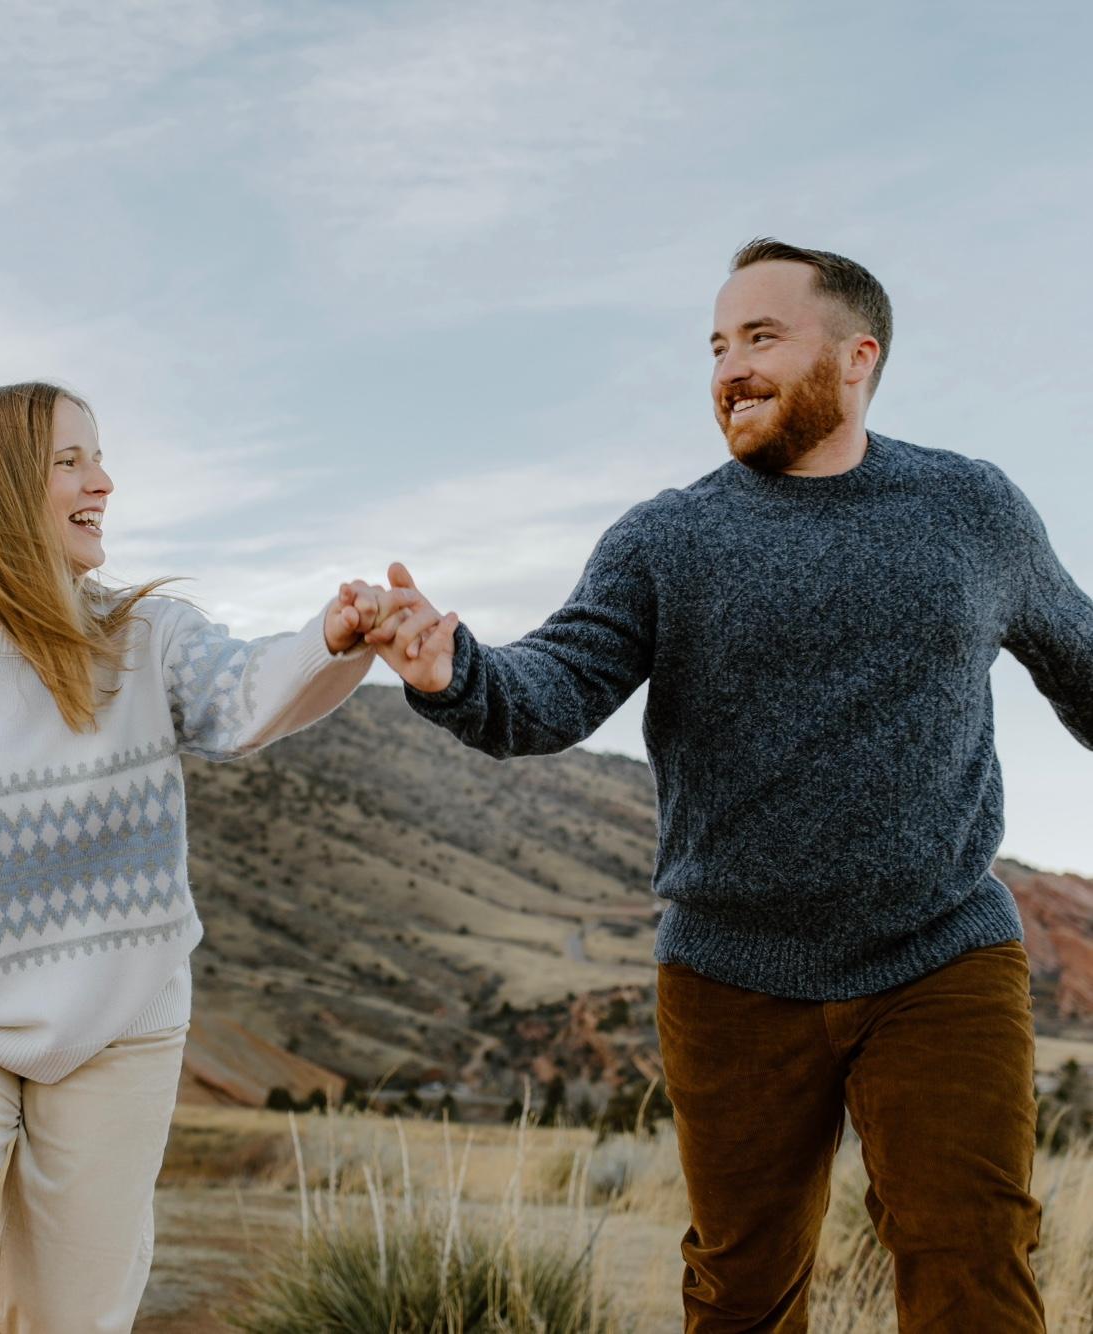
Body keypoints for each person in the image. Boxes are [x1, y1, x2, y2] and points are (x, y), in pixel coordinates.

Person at [364, 238, 1090, 1331]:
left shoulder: (970, 510)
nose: (727, 368)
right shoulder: (670, 535)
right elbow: (549, 689)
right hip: (729, 973)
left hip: (937, 952)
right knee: (740, 1290)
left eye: (759, 336)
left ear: (856, 357)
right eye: (714, 345)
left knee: (973, 1268)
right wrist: (450, 669)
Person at [0, 381, 408, 1333]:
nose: (102, 481)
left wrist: (332, 637)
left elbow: (239, 694)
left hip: (120, 1017)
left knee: (71, 1313)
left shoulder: (142, 636)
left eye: (97, 457)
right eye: (70, 460)